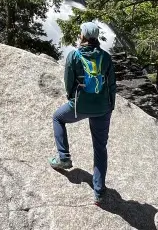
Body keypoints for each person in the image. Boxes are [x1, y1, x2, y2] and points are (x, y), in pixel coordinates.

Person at [48, 21, 116, 205]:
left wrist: (73, 100)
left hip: (80, 106)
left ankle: (63, 157)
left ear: (83, 36)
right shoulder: (106, 57)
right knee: (100, 149)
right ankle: (99, 192)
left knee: (57, 117)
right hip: (102, 108)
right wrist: (111, 106)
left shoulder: (74, 56)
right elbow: (111, 85)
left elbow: (69, 82)